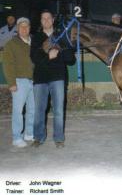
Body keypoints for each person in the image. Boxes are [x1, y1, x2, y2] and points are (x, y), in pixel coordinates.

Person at [31, 10, 76, 148]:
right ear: (40, 21)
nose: (46, 20)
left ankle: (59, 139)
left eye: (48, 18)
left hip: (57, 78)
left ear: (53, 20)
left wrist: (61, 52)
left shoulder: (61, 36)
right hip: (40, 78)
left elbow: (71, 60)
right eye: (43, 18)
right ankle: (38, 137)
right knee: (39, 109)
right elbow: (34, 58)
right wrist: (48, 56)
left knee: (58, 110)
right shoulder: (37, 37)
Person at [2, 17, 34, 147]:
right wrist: (11, 83)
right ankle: (16, 137)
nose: (24, 29)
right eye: (21, 26)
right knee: (18, 111)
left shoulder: (34, 42)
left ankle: (29, 133)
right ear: (17, 28)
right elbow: (8, 65)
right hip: (19, 82)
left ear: (29, 28)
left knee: (32, 109)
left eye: (26, 26)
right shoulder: (11, 44)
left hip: (34, 81)